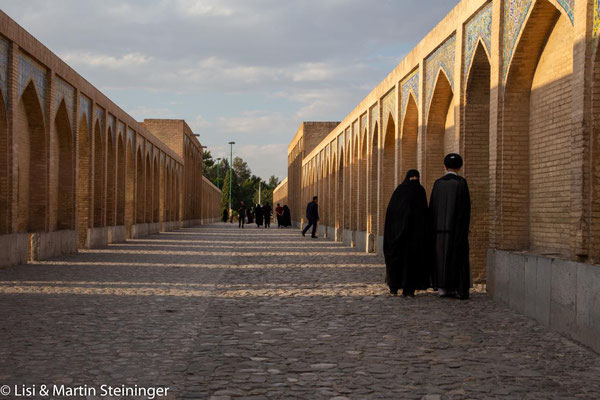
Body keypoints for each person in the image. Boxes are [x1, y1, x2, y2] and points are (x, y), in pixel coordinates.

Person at [429, 153, 471, 300]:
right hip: (456, 230)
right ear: (460, 167)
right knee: (457, 258)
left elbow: (432, 207)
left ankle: (441, 288)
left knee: (440, 258)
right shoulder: (461, 183)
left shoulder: (438, 183)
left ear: (445, 166)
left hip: (439, 230)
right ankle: (457, 287)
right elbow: (465, 209)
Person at [383, 170, 430, 297]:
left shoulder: (406, 191)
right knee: (404, 262)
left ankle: (405, 288)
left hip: (410, 237)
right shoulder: (412, 191)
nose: (414, 179)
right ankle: (396, 287)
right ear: (408, 177)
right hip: (405, 237)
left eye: (416, 177)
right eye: (412, 177)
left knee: (408, 263)